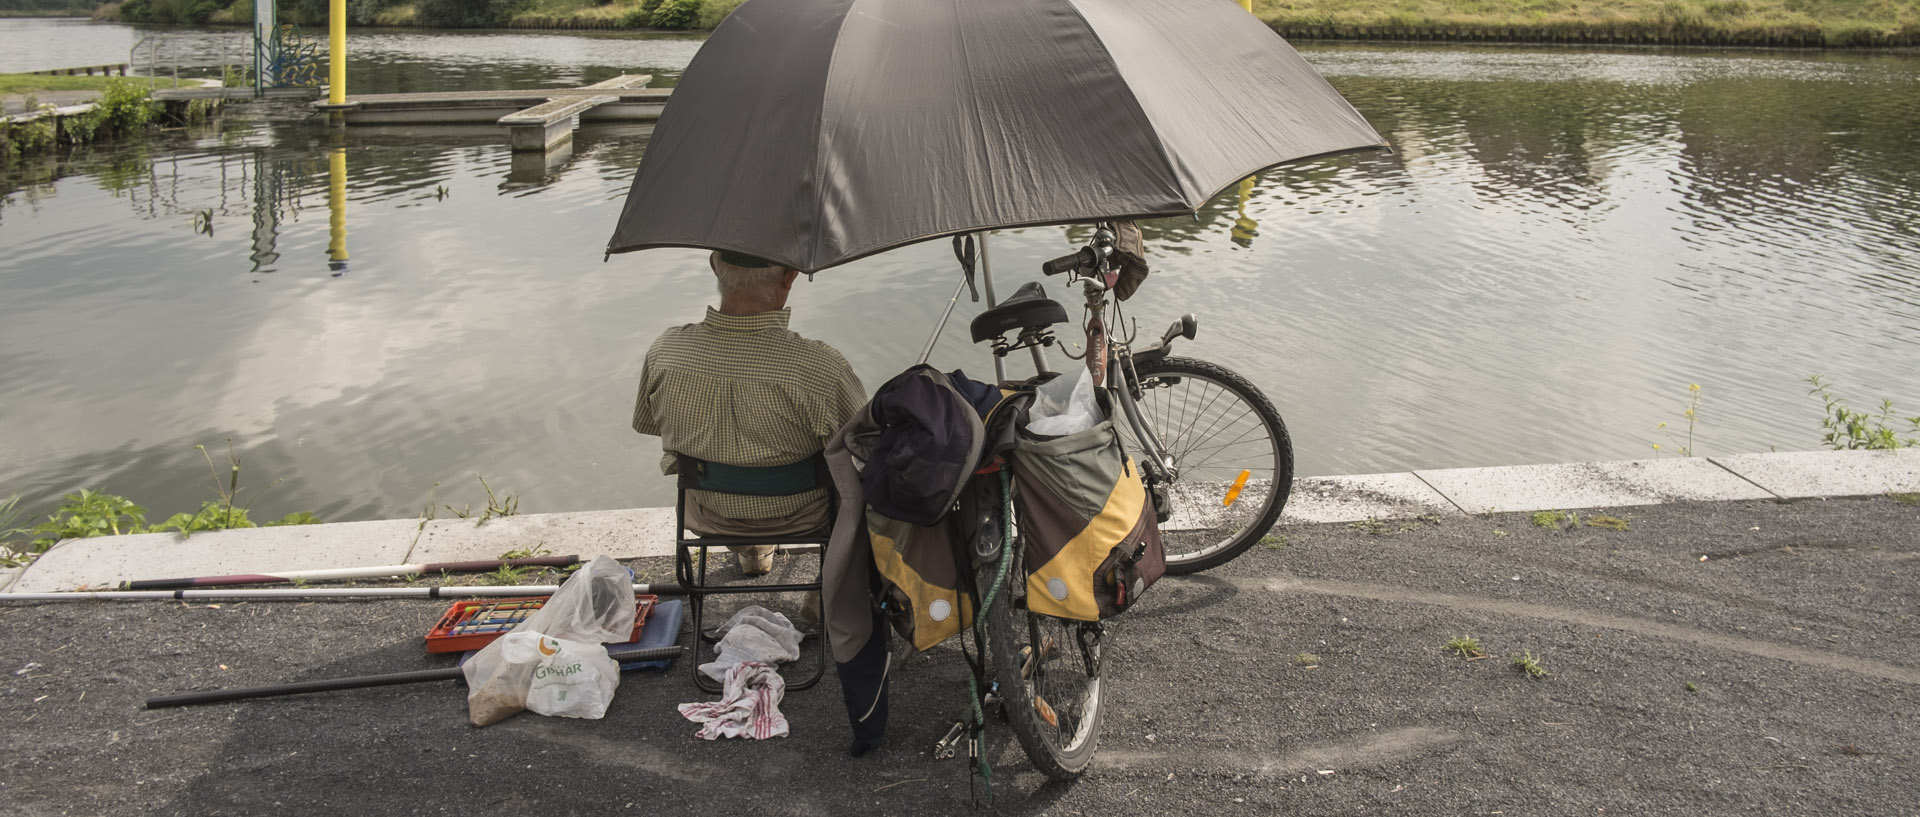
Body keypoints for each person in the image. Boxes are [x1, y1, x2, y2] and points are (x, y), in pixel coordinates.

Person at [632, 250, 865, 577]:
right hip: (806, 514)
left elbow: (649, 424)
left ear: (714, 265)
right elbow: (865, 446)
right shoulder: (822, 368)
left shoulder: (666, 353)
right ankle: (839, 583)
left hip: (708, 512)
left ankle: (750, 549)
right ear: (790, 276)